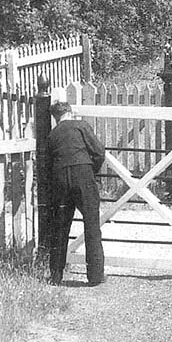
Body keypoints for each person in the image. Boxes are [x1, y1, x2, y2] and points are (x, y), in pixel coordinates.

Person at [46, 101, 106, 286]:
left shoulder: (52, 135)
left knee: (60, 227)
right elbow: (98, 152)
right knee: (91, 225)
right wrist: (90, 171)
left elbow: (47, 164)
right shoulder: (81, 126)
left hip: (60, 178)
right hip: (83, 175)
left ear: (55, 118)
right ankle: (95, 276)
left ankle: (56, 275)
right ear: (70, 113)